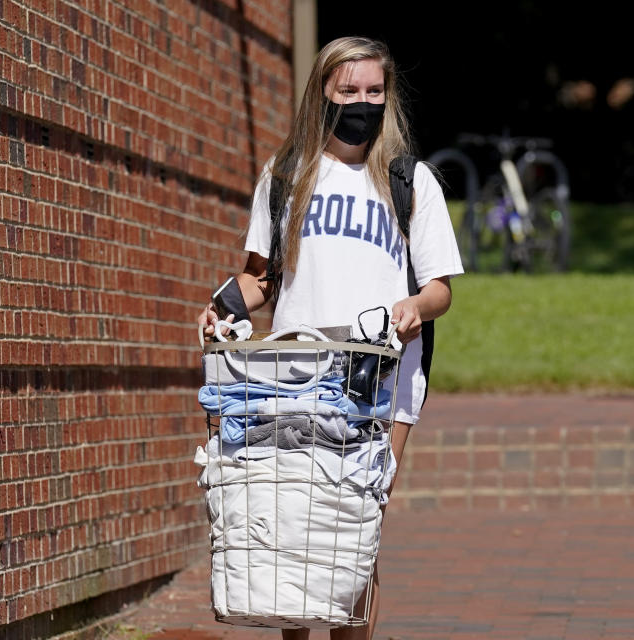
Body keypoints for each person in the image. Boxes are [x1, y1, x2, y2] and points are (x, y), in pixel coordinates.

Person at [197, 36, 464, 640]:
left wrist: (416, 305)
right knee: (300, 527)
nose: (362, 102)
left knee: (354, 535)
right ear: (323, 92)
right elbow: (260, 278)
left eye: (374, 91)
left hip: (381, 377)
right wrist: (221, 307)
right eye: (349, 91)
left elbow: (442, 288)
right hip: (296, 374)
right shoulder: (287, 174)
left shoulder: (410, 181)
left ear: (387, 97)